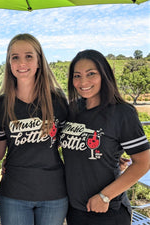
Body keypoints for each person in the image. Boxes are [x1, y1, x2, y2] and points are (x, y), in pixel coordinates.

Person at [60, 49, 150, 225]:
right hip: (75, 209)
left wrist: (105, 196)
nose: (83, 81)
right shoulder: (72, 110)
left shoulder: (122, 113)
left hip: (108, 211)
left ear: (105, 75)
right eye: (77, 75)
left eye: (91, 74)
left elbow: (143, 162)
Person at [0, 33, 68, 225]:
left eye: (28, 56)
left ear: (39, 61)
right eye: (14, 57)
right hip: (14, 193)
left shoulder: (57, 100)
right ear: (9, 63)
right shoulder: (2, 103)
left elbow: (74, 140)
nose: (21, 62)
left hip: (54, 192)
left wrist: (109, 156)